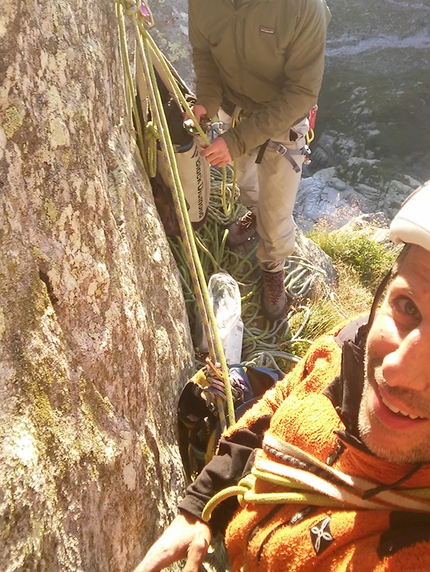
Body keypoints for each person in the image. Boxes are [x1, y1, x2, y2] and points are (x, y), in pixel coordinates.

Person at [133, 179, 430, 571]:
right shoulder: (345, 349)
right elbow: (278, 402)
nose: (396, 371)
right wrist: (203, 504)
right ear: (383, 292)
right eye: (407, 306)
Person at [186, 0, 331, 323]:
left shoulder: (302, 0)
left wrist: (238, 138)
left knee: (277, 211)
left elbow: (304, 90)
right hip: (235, 115)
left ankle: (273, 267)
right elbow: (206, 57)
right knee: (248, 185)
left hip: (283, 121)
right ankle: (255, 220)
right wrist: (206, 100)